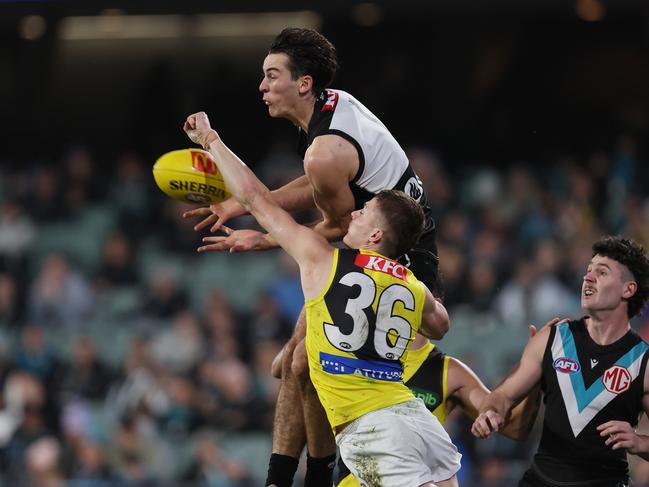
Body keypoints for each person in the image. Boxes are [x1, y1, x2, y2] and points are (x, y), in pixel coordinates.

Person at [183, 27, 441, 487]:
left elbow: (341, 227)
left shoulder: (323, 151)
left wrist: (260, 234)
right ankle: (296, 476)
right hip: (402, 255)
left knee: (301, 363)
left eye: (271, 75)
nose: (262, 86)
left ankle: (311, 474)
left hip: (397, 262)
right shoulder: (330, 111)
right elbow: (320, 185)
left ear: (304, 83)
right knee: (296, 362)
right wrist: (243, 208)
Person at [269, 321, 552, 487]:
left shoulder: (447, 371)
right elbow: (285, 368)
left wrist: (534, 371)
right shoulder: (354, 349)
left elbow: (512, 427)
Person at [471, 235, 649, 487]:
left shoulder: (643, 360)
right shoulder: (553, 337)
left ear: (628, 289)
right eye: (588, 271)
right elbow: (503, 395)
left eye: (602, 272)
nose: (588, 277)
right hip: (541, 480)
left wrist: (640, 442)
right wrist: (490, 412)